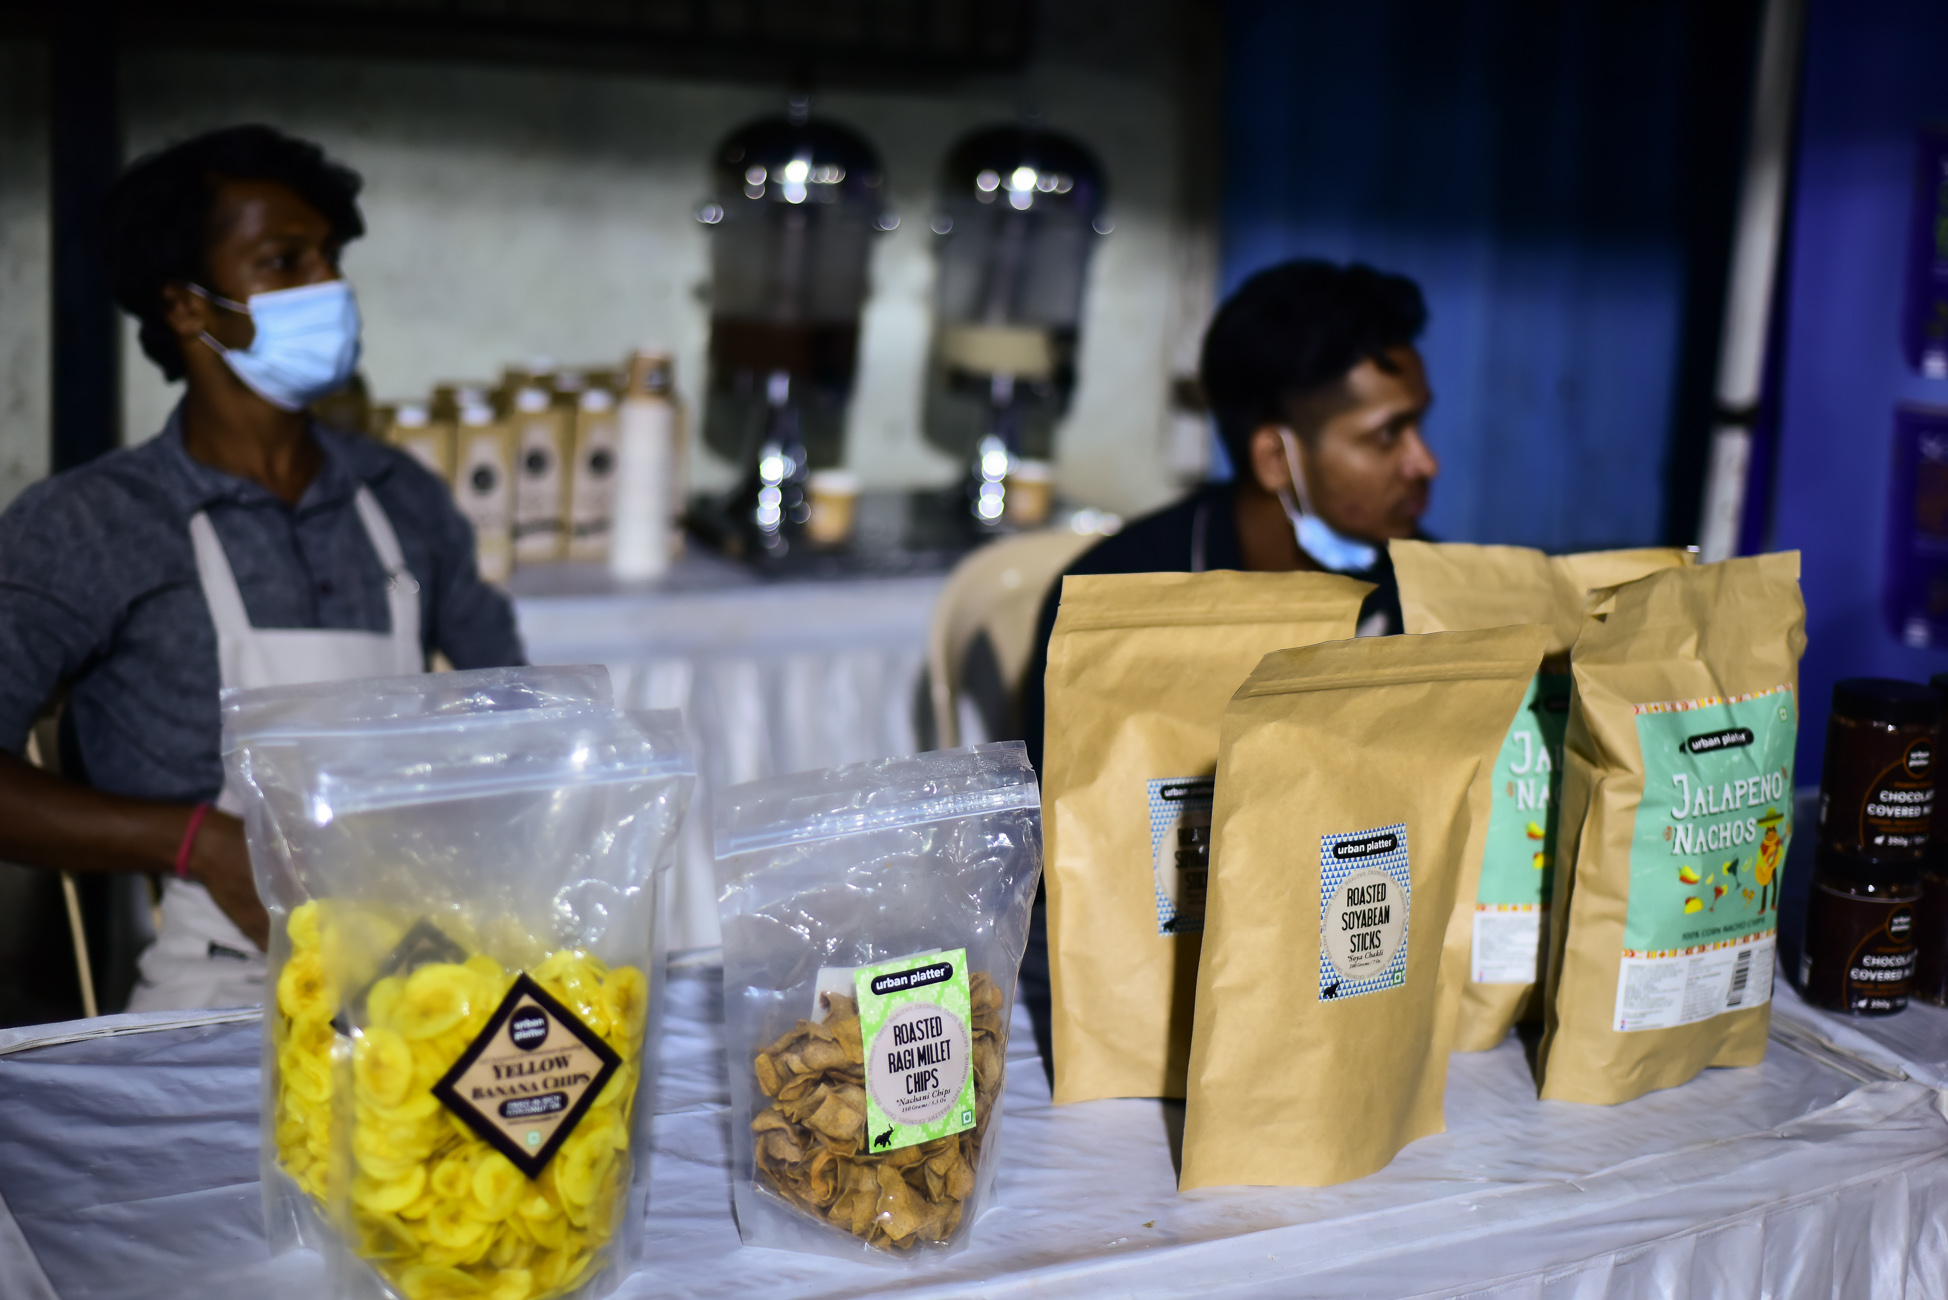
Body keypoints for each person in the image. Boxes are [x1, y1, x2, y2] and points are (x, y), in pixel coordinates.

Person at [0, 125, 523, 1011]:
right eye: (285, 263)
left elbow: (521, 718)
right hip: (219, 979)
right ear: (186, 308)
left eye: (331, 258)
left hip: (426, 963)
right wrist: (194, 841)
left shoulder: (400, 500)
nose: (329, 287)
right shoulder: (93, 524)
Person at [1022, 259, 1438, 769]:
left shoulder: (1437, 594)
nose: (1426, 463)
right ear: (1276, 459)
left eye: (1419, 426)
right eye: (1388, 435)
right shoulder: (1112, 607)